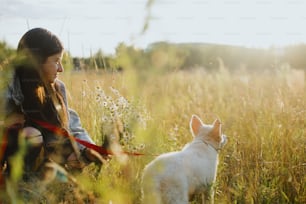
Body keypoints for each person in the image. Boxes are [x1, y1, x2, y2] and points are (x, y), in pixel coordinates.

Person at [0, 28, 104, 184]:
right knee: (31, 134)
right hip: (13, 149)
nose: (60, 69)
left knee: (74, 155)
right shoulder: (6, 84)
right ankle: (19, 185)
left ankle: (45, 182)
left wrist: (85, 149)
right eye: (56, 61)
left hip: (43, 150)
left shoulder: (57, 88)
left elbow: (70, 125)